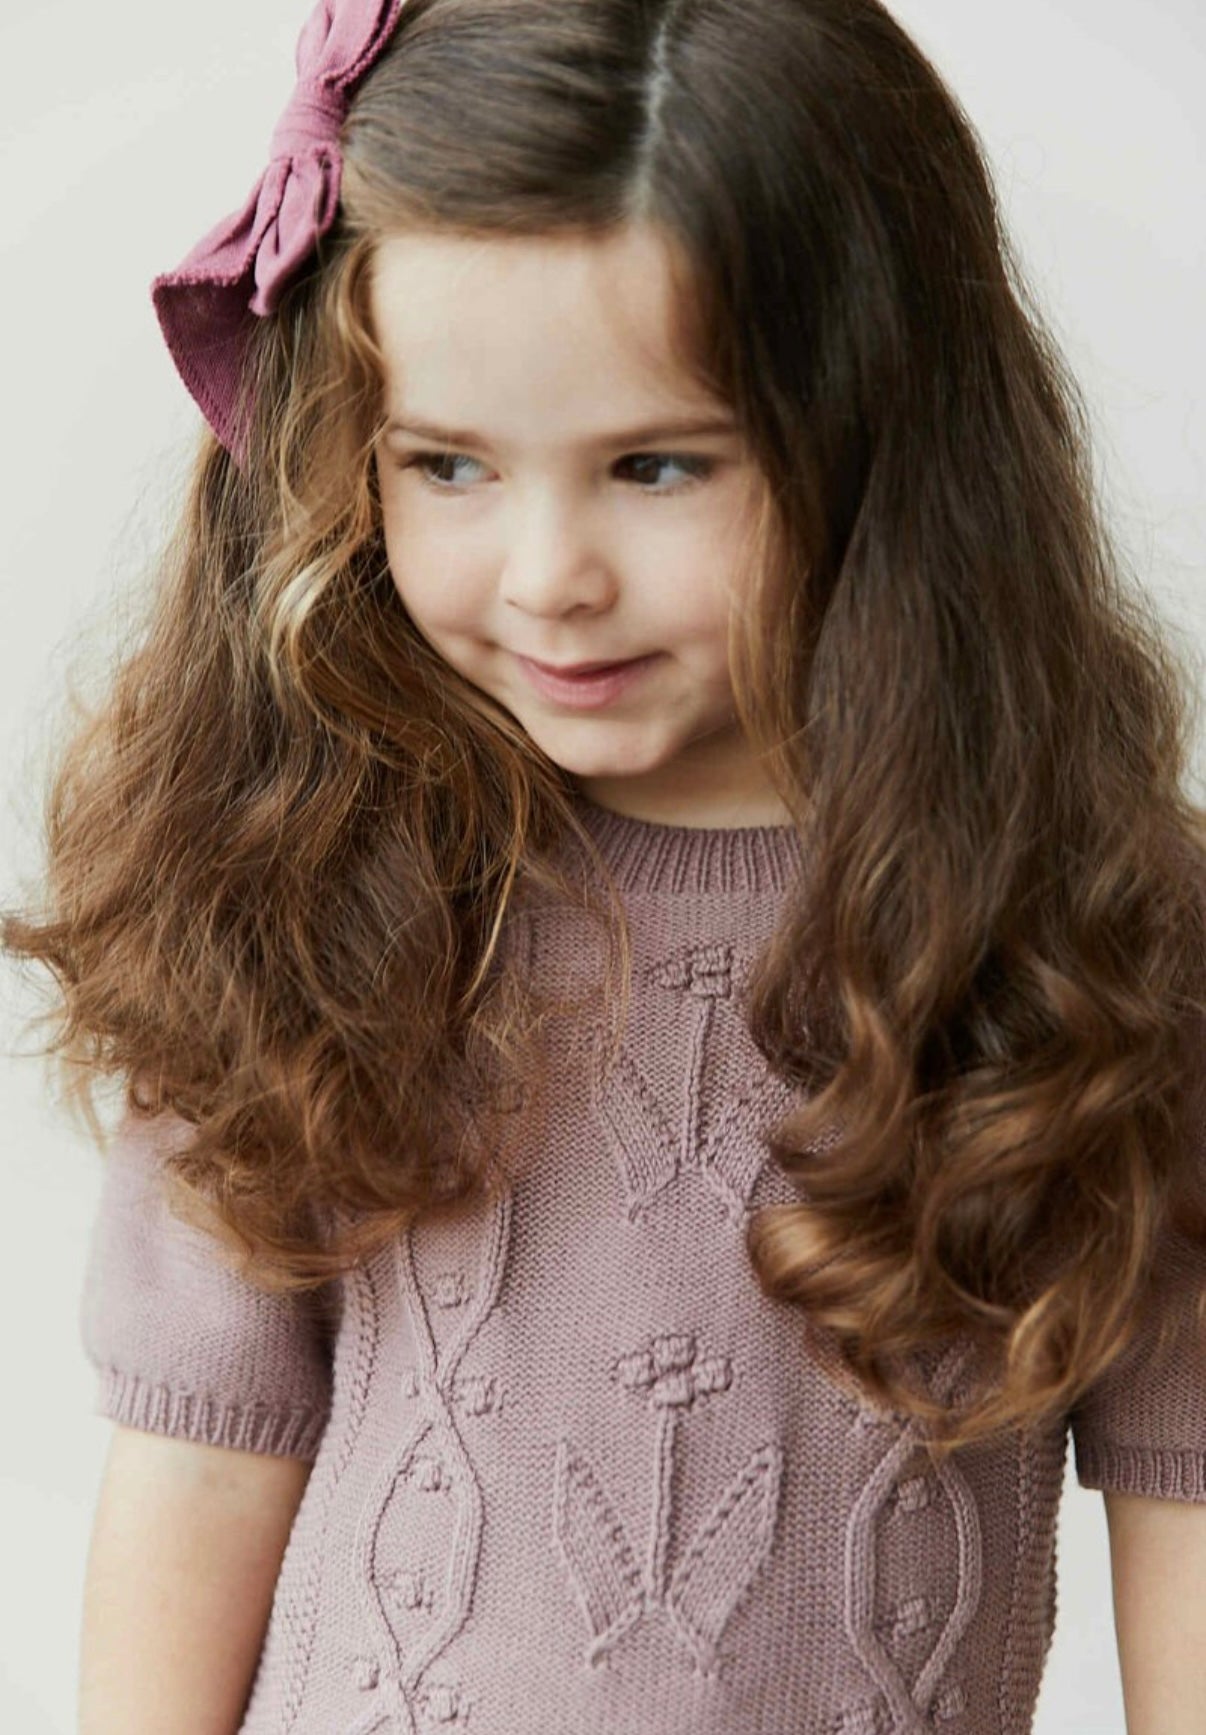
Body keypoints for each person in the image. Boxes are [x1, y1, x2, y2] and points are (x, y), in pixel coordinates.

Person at [4, 0, 1205, 1729]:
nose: (547, 573)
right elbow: (201, 1460)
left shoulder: (1089, 939)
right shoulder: (320, 878)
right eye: (448, 466)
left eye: (654, 465)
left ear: (885, 433)